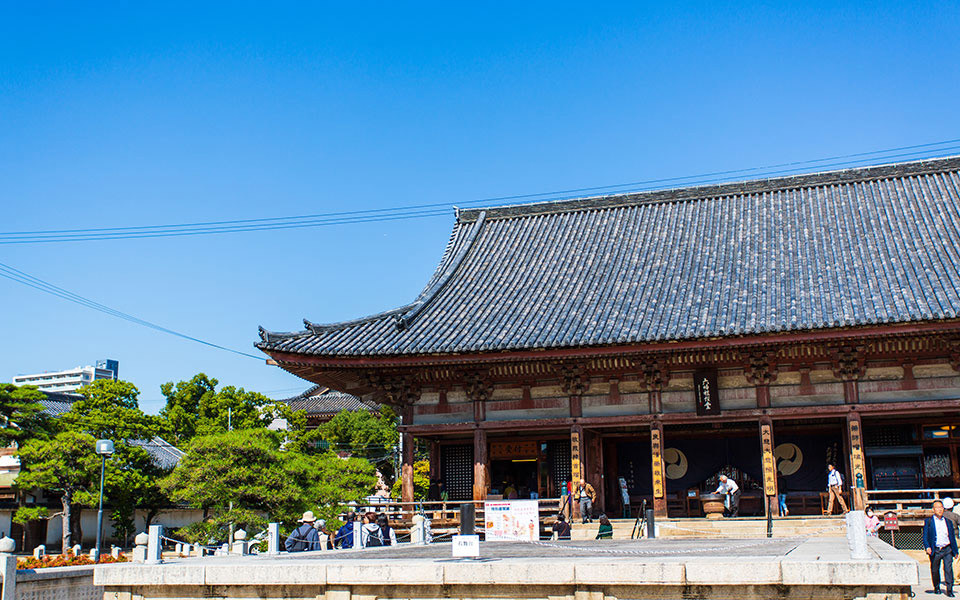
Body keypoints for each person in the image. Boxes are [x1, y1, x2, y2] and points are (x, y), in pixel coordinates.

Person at [924, 500, 958, 597]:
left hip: (947, 548)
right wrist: (927, 547)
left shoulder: (948, 522)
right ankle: (937, 586)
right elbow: (925, 535)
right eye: (937, 507)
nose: (939, 509)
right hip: (936, 549)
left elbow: (951, 537)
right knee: (935, 569)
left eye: (941, 507)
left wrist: (955, 550)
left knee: (948, 569)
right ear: (933, 509)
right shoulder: (929, 521)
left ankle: (949, 589)